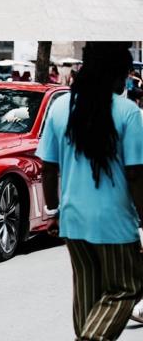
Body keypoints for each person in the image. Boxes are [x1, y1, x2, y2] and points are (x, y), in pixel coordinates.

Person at [37, 42, 143, 340]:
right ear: (112, 73)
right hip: (115, 225)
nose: (125, 81)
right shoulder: (128, 112)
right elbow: (135, 174)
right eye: (124, 74)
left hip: (72, 222)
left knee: (88, 292)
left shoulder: (60, 108)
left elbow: (48, 168)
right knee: (126, 287)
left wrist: (53, 211)